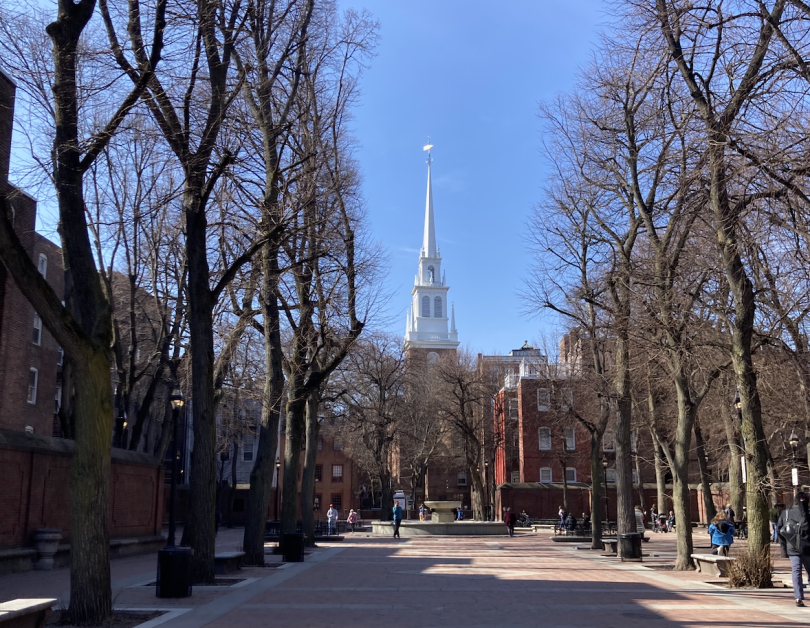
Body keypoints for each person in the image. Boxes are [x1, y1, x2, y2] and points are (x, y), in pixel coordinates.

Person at [778, 492, 810, 607]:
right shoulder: (807, 513)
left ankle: (798, 597)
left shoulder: (786, 513)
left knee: (796, 571)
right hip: (807, 547)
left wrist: (785, 545)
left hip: (792, 546)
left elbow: (779, 530)